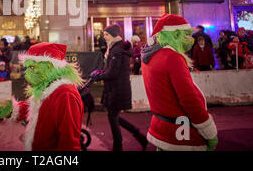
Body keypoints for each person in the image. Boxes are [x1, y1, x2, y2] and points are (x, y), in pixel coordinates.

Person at [0, 42, 84, 151]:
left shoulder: (65, 94)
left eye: (31, 67)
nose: (26, 73)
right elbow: (40, 109)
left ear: (48, 66)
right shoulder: (47, 86)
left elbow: (69, 144)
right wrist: (10, 108)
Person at [141, 14, 218, 151]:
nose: (190, 40)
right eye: (186, 35)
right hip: (181, 133)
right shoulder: (172, 57)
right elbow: (188, 99)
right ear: (175, 35)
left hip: (162, 128)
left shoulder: (150, 57)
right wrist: (209, 132)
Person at [91, 25, 148, 151]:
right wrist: (100, 73)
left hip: (117, 88)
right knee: (114, 116)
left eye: (106, 34)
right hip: (116, 87)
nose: (104, 37)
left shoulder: (116, 49)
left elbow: (113, 72)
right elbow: (111, 69)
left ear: (113, 35)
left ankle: (118, 146)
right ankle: (139, 136)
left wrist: (99, 76)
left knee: (112, 117)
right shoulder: (115, 48)